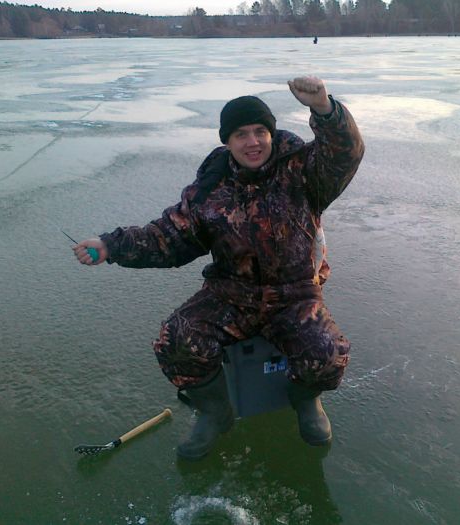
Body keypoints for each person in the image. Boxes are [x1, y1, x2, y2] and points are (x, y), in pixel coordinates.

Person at [73, 76, 364, 460]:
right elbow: (168, 236)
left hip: (294, 292)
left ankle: (306, 401)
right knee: (176, 339)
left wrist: (325, 109)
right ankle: (215, 411)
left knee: (327, 354)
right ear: (227, 141)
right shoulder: (210, 188)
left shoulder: (302, 171)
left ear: (271, 134)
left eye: (261, 131)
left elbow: (343, 154)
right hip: (231, 292)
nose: (253, 141)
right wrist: (111, 245)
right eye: (241, 134)